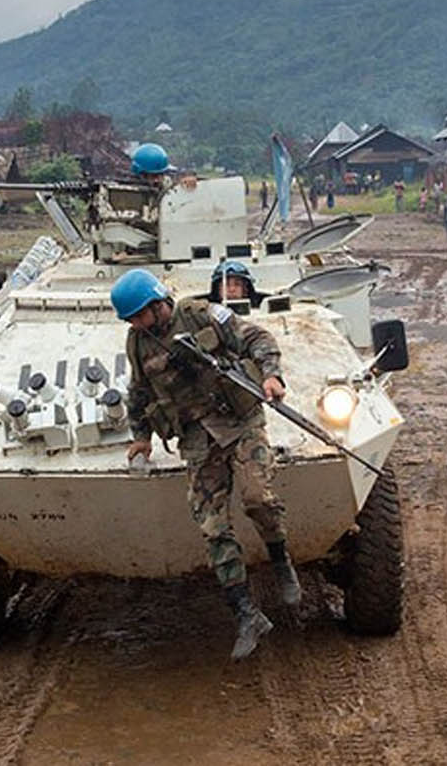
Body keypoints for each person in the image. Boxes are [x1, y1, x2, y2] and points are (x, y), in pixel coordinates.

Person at [114, 269, 298, 661]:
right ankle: (246, 613)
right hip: (197, 438)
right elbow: (138, 391)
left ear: (156, 304)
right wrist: (140, 435)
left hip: (240, 422)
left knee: (257, 498)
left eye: (137, 316)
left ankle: (281, 561)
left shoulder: (201, 314)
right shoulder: (137, 344)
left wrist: (271, 376)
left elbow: (256, 338)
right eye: (129, 320)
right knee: (213, 526)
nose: (134, 324)